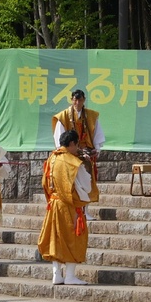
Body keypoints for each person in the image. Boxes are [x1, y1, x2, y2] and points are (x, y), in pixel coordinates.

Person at [37, 129, 92, 286]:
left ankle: (56, 274)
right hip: (69, 205)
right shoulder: (73, 162)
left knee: (55, 238)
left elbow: (44, 183)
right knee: (73, 238)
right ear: (72, 143)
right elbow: (86, 186)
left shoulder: (51, 158)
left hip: (53, 204)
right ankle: (70, 275)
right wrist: (86, 164)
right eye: (77, 145)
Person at [52, 89, 104, 219]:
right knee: (74, 184)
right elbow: (60, 138)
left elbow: (97, 133)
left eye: (80, 100)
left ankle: (85, 210)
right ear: (71, 100)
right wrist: (65, 151)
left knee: (87, 181)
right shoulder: (63, 116)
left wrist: (96, 148)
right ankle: (73, 210)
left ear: (84, 100)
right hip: (71, 154)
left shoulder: (91, 116)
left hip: (86, 153)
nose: (77, 102)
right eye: (75, 99)